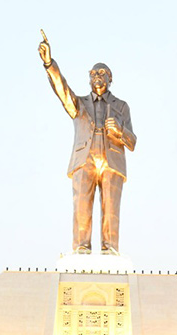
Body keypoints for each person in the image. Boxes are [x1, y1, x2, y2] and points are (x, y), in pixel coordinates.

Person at [38, 34, 137, 255]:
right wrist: (49, 64)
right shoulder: (79, 105)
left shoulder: (121, 106)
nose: (96, 77)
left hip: (112, 159)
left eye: (101, 73)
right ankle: (82, 247)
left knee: (111, 208)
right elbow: (61, 90)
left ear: (110, 78)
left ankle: (110, 247)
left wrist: (120, 131)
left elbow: (133, 141)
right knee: (82, 206)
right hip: (85, 158)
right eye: (92, 74)